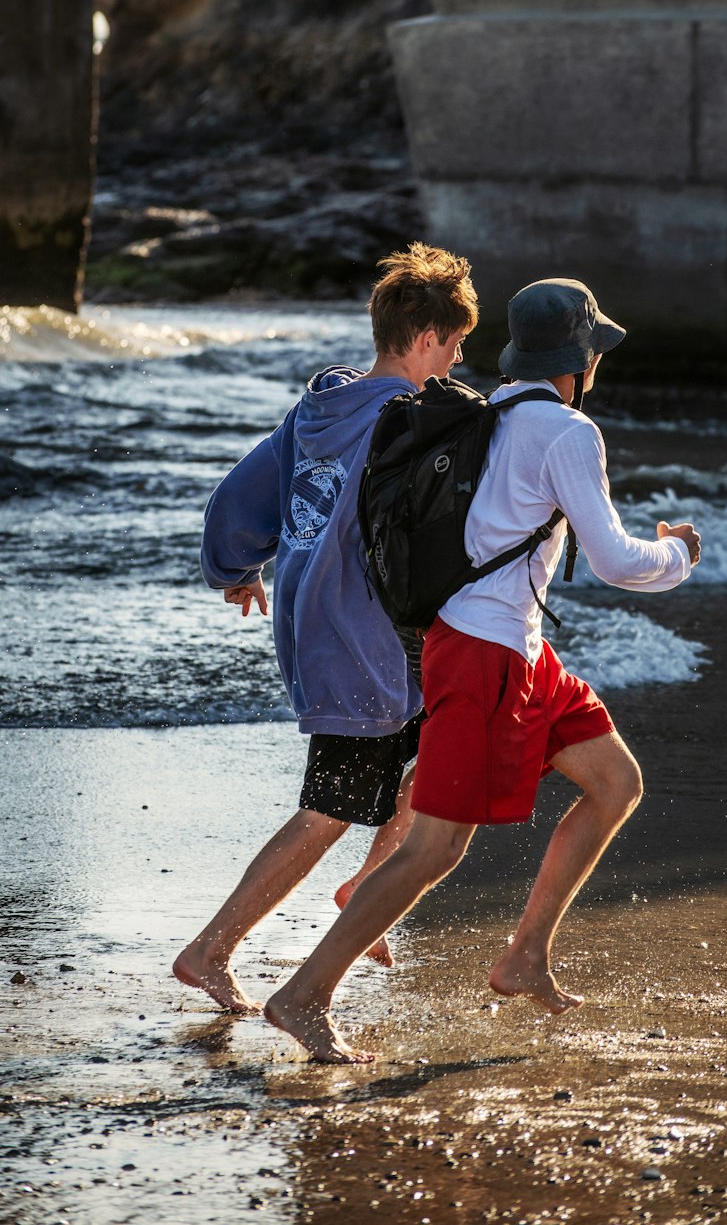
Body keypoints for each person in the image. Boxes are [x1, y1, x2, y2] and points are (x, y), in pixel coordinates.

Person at [260, 277, 701, 1061]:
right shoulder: (568, 433)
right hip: (485, 655)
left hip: (516, 648)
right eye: (595, 350)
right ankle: (304, 994)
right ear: (581, 357)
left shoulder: (488, 408)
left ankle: (525, 956)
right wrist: (679, 552)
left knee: (616, 782)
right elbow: (616, 561)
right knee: (435, 849)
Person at [172, 242, 479, 1013]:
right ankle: (210, 950)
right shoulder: (413, 423)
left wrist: (233, 569)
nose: (457, 360)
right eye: (453, 344)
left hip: (339, 623)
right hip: (356, 637)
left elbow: (237, 500)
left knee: (440, 749)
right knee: (332, 806)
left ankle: (366, 889)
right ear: (421, 341)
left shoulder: (316, 409)